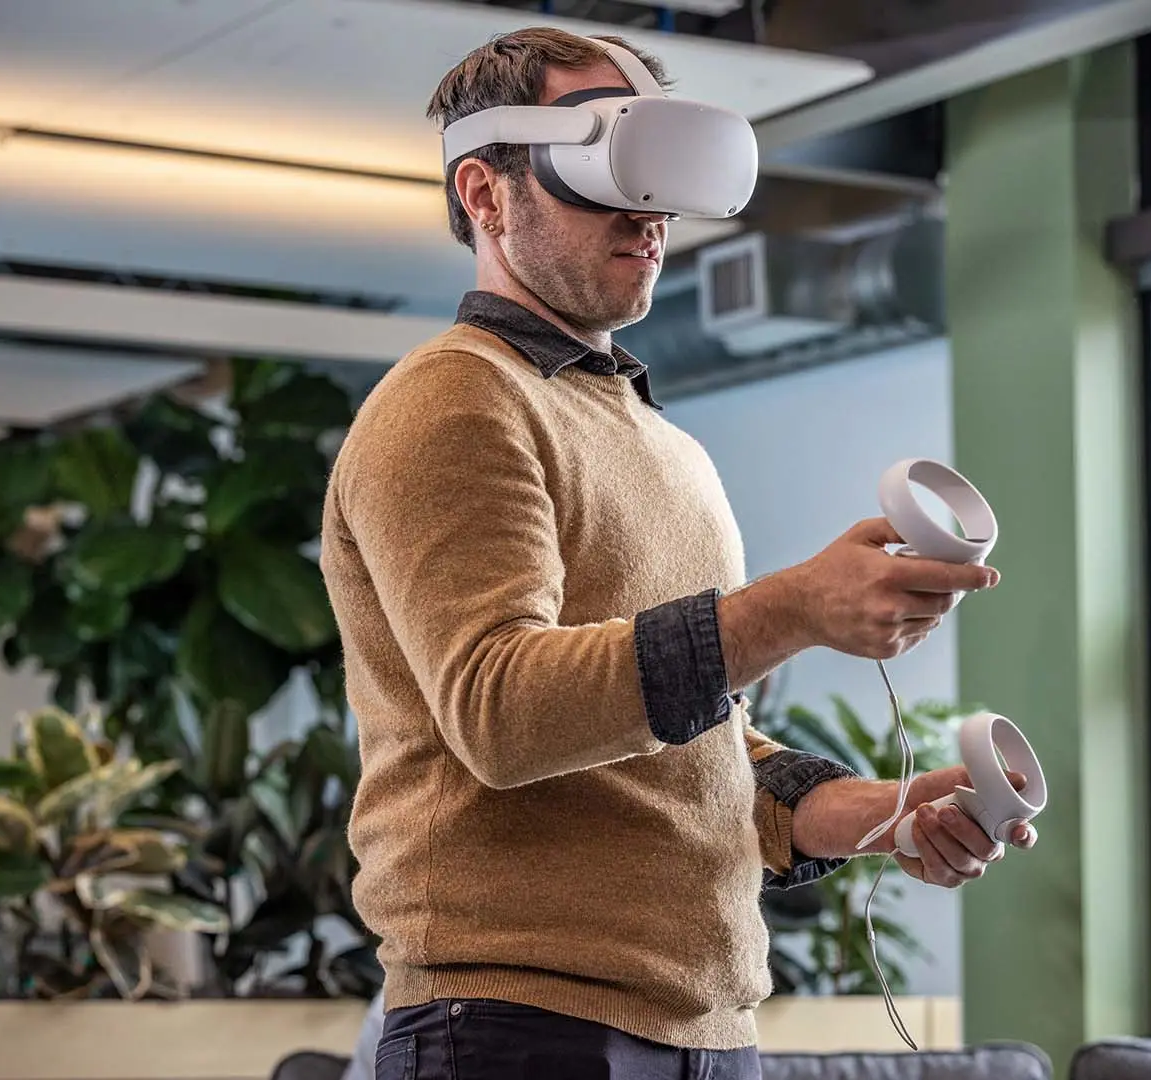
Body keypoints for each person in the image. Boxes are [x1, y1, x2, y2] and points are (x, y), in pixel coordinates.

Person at [317, 26, 1035, 1080]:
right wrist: (791, 608)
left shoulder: (667, 448)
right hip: (517, 1024)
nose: (649, 213)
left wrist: (877, 814)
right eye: (606, 170)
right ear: (484, 193)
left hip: (705, 1030)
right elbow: (501, 711)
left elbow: (691, 741)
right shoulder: (454, 400)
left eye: (659, 177)